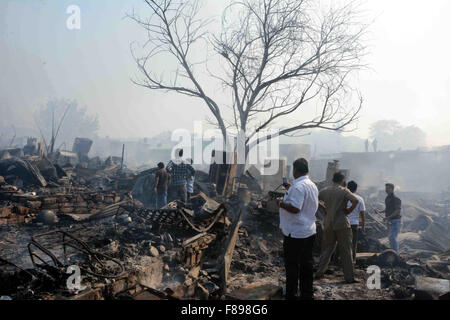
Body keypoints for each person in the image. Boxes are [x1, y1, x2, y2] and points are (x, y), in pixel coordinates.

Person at [276, 158, 319, 300]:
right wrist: (289, 189)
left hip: (295, 233)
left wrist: (280, 203)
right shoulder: (311, 185)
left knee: (292, 266)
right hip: (309, 231)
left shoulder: (298, 187)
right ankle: (307, 294)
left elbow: (295, 208)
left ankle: (291, 294)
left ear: (296, 170)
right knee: (306, 264)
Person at [315, 172, 359, 283]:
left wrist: (324, 208)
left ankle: (319, 272)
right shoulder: (344, 191)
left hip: (328, 223)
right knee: (346, 250)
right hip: (342, 224)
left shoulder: (325, 190)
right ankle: (349, 277)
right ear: (343, 180)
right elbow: (355, 200)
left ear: (333, 179)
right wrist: (348, 211)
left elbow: (314, 199)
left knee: (327, 249)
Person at [376, 183, 402, 253]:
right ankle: (393, 252)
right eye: (386, 188)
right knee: (391, 238)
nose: (386, 190)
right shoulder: (387, 198)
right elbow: (387, 209)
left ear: (392, 189)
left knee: (393, 237)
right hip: (390, 221)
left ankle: (395, 254)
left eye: (388, 188)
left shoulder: (396, 199)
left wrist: (387, 217)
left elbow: (397, 211)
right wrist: (380, 212)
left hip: (395, 221)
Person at [346, 181, 366, 262]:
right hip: (354, 224)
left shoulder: (344, 197)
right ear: (356, 189)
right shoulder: (360, 199)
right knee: (353, 244)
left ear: (347, 188)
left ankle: (339, 260)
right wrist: (363, 226)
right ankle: (352, 260)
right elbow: (362, 214)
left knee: (342, 243)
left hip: (344, 223)